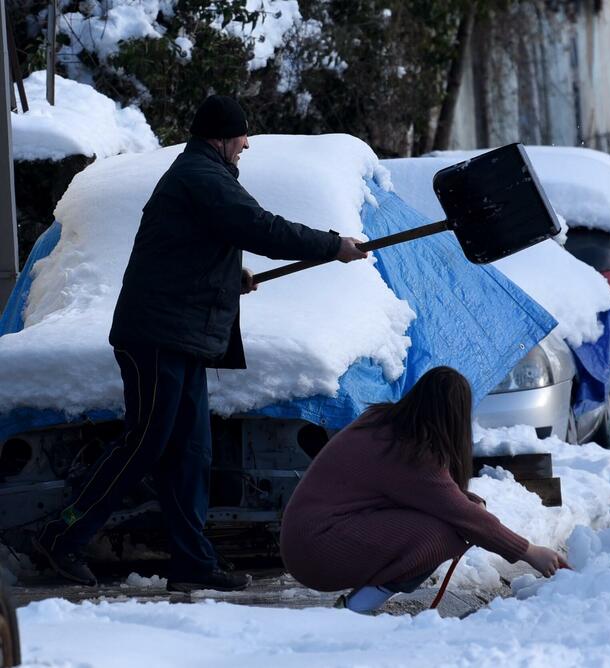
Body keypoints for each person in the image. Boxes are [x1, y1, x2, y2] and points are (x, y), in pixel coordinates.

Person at [33, 95, 369, 592]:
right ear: (221, 136)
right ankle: (61, 536)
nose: (247, 144)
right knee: (144, 444)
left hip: (179, 337)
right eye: (242, 135)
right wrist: (331, 245)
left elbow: (181, 248)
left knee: (191, 453)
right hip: (155, 338)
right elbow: (258, 226)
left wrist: (229, 276)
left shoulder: (201, 177)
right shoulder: (202, 177)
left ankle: (192, 563)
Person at [280, 366, 568, 613]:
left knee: (456, 522)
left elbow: (437, 497)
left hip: (308, 538)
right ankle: (356, 609)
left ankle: (360, 604)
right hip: (316, 549)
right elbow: (463, 517)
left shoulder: (386, 426)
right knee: (448, 534)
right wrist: (530, 552)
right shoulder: (407, 452)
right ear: (453, 416)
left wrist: (467, 503)